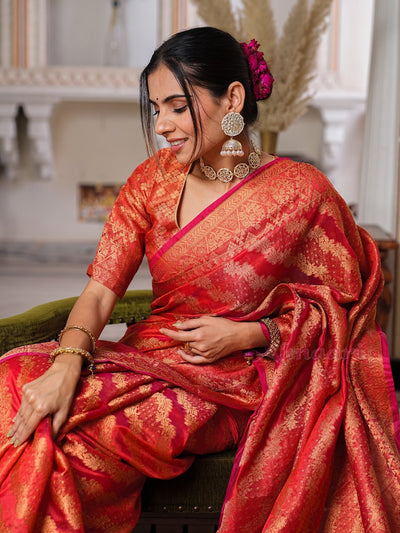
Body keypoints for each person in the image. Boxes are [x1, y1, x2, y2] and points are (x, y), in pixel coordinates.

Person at [1, 26, 400, 532]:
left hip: (231, 383)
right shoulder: (151, 181)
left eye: (177, 105)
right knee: (12, 385)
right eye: (155, 109)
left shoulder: (303, 193)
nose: (163, 124)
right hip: (148, 357)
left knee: (70, 439)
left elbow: (345, 311)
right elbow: (101, 294)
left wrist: (251, 333)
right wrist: (67, 362)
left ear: (233, 97)